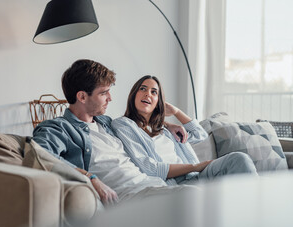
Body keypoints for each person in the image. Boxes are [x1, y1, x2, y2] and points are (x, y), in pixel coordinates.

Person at [32, 59, 193, 206]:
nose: (110, 98)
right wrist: (90, 178)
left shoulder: (107, 123)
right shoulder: (58, 128)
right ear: (82, 96)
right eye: (103, 93)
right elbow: (39, 154)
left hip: (153, 185)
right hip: (128, 196)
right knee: (193, 196)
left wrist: (165, 124)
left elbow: (134, 122)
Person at [111, 75, 258, 186]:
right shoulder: (123, 125)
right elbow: (150, 168)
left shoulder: (165, 129)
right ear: (133, 95)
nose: (148, 94)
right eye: (142, 89)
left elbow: (200, 135)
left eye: (154, 92)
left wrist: (176, 112)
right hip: (178, 183)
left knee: (239, 159)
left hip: (196, 176)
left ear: (158, 102)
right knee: (238, 160)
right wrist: (196, 166)